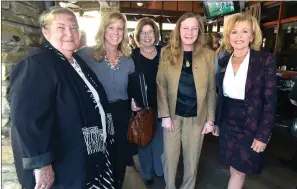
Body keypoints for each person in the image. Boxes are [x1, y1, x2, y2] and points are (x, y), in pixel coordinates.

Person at [7, 6, 116, 189]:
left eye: (73, 27)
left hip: (85, 159)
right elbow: (27, 120)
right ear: (45, 32)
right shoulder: (36, 64)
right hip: (65, 167)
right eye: (61, 28)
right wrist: (41, 165)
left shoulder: (76, 61)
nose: (69, 33)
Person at [214, 13, 277, 189]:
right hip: (227, 123)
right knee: (233, 170)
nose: (239, 36)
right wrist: (217, 122)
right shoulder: (223, 61)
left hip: (250, 125)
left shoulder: (265, 60)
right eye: (234, 32)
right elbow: (221, 96)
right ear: (228, 36)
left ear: (252, 36)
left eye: (244, 31)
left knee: (240, 171)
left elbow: (270, 102)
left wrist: (263, 134)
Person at [157, 12, 216, 189]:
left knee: (192, 158)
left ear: (199, 31)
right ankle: (169, 186)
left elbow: (213, 89)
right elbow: (161, 85)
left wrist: (211, 119)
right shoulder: (167, 52)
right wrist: (164, 115)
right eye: (185, 28)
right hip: (173, 115)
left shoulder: (208, 55)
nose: (189, 32)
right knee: (169, 156)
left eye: (194, 28)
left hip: (197, 116)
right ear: (178, 30)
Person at [77, 11, 134, 189]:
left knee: (119, 157)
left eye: (120, 28)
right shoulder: (85, 55)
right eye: (111, 27)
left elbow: (131, 90)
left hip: (121, 115)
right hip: (95, 115)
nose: (116, 32)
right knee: (98, 158)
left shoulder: (128, 60)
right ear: (103, 29)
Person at [131, 17, 164, 186]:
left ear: (155, 34)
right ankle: (146, 173)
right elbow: (128, 81)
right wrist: (131, 100)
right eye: (143, 33)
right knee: (144, 141)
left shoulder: (164, 51)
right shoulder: (133, 56)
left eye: (150, 32)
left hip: (164, 105)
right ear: (138, 35)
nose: (147, 36)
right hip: (143, 107)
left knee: (160, 141)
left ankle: (160, 170)